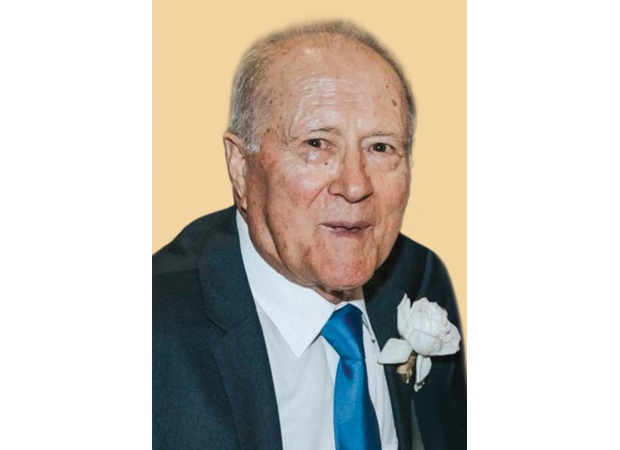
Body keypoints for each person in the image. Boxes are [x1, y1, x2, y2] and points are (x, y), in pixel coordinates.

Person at [153, 20, 466, 450]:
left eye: (380, 147)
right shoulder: (156, 328)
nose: (355, 185)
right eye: (317, 144)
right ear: (240, 166)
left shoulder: (420, 278)